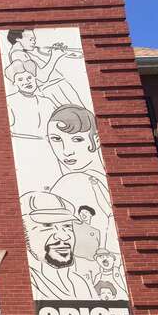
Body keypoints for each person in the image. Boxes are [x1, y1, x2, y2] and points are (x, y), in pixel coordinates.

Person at [47, 105, 117, 252]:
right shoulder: (69, 183)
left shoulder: (70, 183)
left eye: (77, 139)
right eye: (56, 139)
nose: (66, 151)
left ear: (96, 140)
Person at [20, 191, 95, 300]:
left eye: (67, 226)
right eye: (47, 225)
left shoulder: (80, 284)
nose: (64, 236)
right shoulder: (25, 280)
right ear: (23, 229)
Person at [4, 59, 60, 191]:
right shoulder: (10, 102)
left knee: (54, 184)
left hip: (49, 150)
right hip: (24, 150)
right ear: (14, 83)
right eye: (20, 79)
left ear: (35, 78)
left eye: (29, 77)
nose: (26, 82)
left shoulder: (47, 101)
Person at [6, 29, 84, 107]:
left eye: (34, 39)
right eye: (31, 39)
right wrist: (55, 56)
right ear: (18, 39)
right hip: (53, 87)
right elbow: (42, 77)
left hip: (54, 86)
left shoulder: (22, 53)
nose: (34, 42)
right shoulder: (19, 55)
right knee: (78, 111)